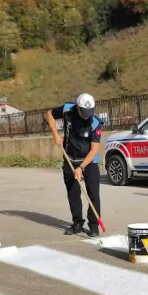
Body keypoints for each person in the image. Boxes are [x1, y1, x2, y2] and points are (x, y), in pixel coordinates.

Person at [45, 93, 104, 237]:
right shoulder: (67, 109)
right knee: (73, 193)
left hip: (89, 161)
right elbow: (49, 115)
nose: (86, 115)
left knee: (93, 193)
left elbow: (94, 149)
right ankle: (77, 223)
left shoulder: (96, 123)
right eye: (84, 112)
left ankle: (94, 225)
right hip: (70, 158)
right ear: (78, 107)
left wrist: (81, 167)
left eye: (89, 113)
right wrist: (55, 134)